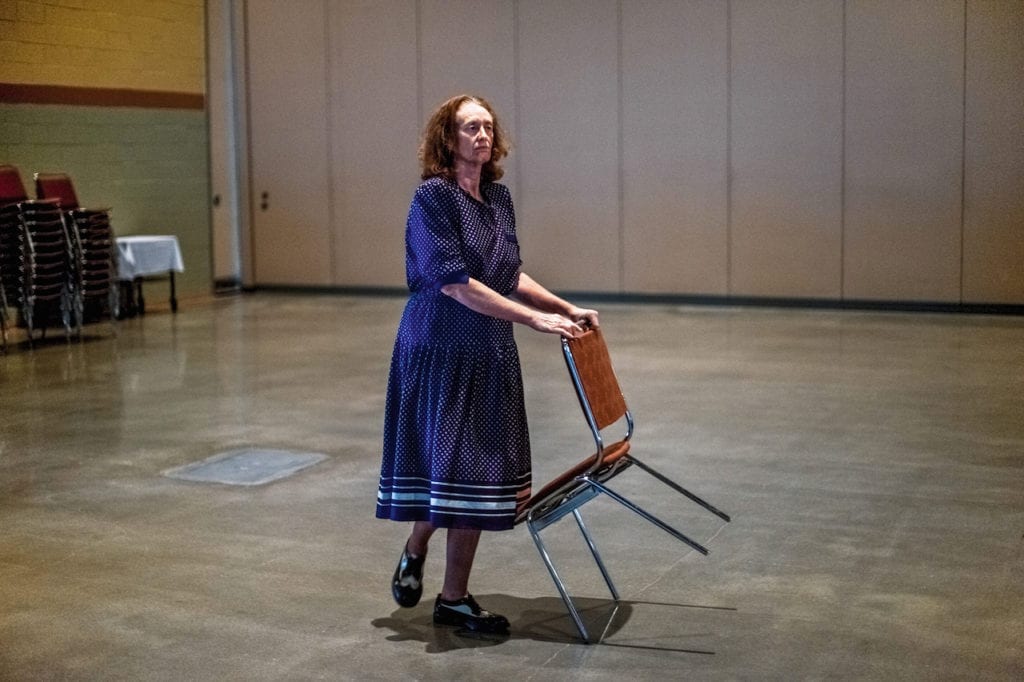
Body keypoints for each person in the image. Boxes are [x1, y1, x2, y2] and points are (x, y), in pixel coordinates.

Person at [375, 94, 599, 635]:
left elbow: (508, 275)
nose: (482, 135)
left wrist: (563, 307)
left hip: (489, 350)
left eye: (488, 127)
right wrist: (533, 321)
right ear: (447, 138)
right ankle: (421, 550)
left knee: (469, 475)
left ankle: (451, 596)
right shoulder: (432, 198)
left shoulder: (497, 199)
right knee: (452, 471)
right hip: (440, 349)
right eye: (470, 127)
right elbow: (454, 283)